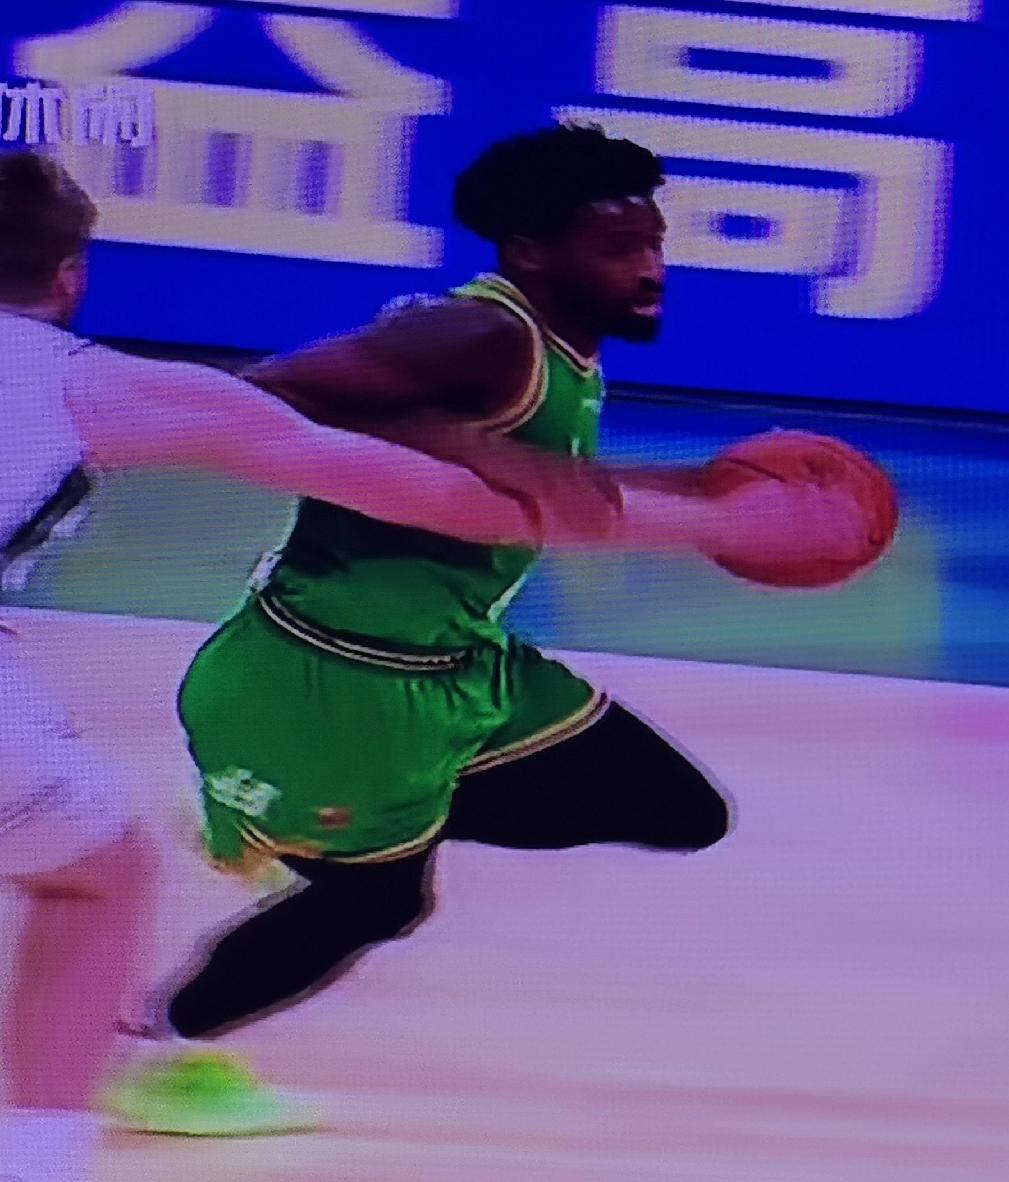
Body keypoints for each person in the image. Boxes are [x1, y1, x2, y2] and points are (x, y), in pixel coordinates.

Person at [111, 125, 868, 1127]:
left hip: (460, 663)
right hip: (335, 680)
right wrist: (469, 446)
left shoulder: (557, 349)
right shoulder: (478, 336)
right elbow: (251, 399)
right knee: (379, 903)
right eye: (619, 248)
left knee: (678, 811)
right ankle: (153, 1053)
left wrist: (699, 490)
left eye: (654, 242)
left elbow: (541, 480)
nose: (650, 269)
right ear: (530, 253)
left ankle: (274, 810)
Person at [0, 147, 652, 1180]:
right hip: (329, 665)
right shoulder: (88, 381)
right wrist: (701, 517)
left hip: (386, 678)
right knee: (98, 880)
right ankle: (41, 1154)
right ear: (70, 275)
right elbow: (423, 494)